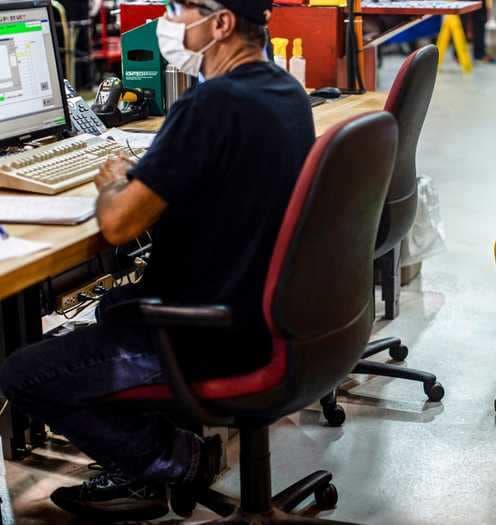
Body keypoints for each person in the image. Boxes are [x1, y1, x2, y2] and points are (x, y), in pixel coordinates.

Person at [0, 0, 315, 520]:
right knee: (110, 308)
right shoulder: (286, 93)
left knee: (21, 373)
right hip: (262, 316)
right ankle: (146, 465)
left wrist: (115, 183)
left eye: (181, 9)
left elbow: (121, 223)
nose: (170, 21)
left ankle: (172, 459)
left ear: (221, 23)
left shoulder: (211, 105)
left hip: (205, 335)